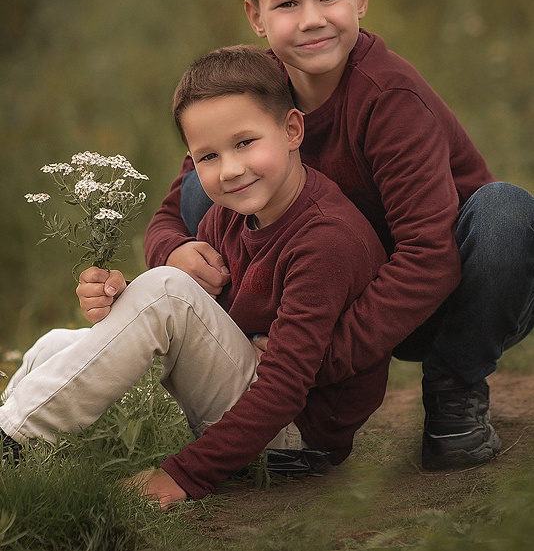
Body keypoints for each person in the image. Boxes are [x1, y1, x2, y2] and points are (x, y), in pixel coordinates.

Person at [144, 0, 534, 471]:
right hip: (320, 289)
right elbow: (170, 213)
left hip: (445, 298)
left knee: (508, 212)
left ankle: (455, 388)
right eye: (287, 4)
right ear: (256, 16)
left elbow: (430, 258)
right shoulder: (252, 90)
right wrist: (173, 251)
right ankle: (242, 375)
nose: (311, 20)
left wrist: (320, 358)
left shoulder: (389, 99)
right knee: (208, 190)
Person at [0, 45, 389, 506]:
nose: (230, 170)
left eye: (245, 143)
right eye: (207, 156)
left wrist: (183, 476)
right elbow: (199, 319)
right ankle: (18, 454)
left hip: (296, 435)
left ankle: (12, 441)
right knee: (53, 346)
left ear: (291, 129)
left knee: (167, 291)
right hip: (246, 388)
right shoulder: (233, 212)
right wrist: (123, 300)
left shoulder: (325, 239)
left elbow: (283, 387)